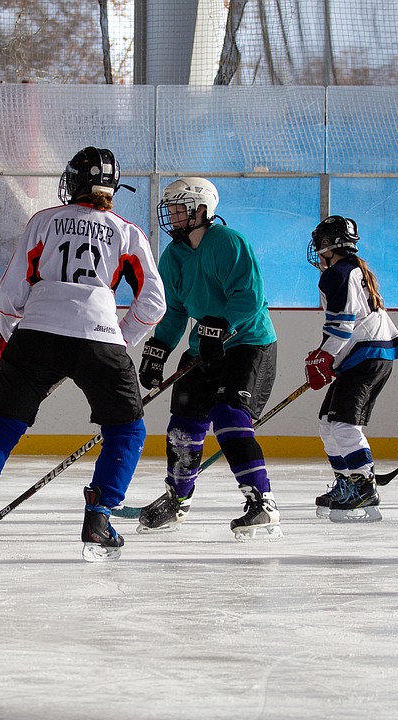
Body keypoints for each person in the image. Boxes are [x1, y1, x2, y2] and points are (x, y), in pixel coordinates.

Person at [0, 146, 165, 563]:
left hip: (36, 336)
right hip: (100, 340)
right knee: (127, 431)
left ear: (73, 182)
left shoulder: (44, 221)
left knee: (2, 425)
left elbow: (10, 293)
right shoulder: (128, 232)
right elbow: (153, 303)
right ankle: (98, 519)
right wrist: (121, 338)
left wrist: (6, 332)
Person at [134, 177, 280, 540]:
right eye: (169, 209)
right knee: (182, 425)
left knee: (229, 417)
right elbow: (174, 311)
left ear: (202, 211)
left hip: (248, 343)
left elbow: (249, 297)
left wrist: (222, 325)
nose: (172, 216)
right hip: (204, 349)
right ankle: (177, 499)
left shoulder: (229, 243)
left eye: (179, 209)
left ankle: (262, 502)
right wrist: (159, 348)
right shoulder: (174, 256)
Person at [304, 216, 398, 522]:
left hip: (366, 356)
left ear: (328, 244)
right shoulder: (355, 270)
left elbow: (341, 327)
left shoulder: (337, 273)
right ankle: (346, 483)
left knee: (344, 426)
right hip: (366, 355)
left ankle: (363, 485)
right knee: (327, 422)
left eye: (320, 243)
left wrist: (324, 357)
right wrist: (330, 359)